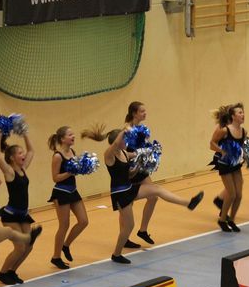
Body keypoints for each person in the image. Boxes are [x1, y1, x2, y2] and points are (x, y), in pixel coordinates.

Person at [83, 126, 205, 264]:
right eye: (124, 140)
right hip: (120, 194)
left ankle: (189, 203)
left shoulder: (124, 153)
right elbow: (116, 144)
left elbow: (132, 168)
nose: (126, 142)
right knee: (129, 226)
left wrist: (150, 153)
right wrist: (124, 130)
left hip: (129, 188)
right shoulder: (109, 155)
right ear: (117, 141)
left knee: (157, 189)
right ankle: (116, 254)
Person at [0, 128, 37, 284]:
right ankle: (2, 273)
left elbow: (31, 151)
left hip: (23, 214)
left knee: (28, 246)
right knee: (20, 247)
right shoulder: (10, 172)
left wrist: (24, 133)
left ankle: (12, 271)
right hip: (11, 215)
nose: (23, 154)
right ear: (12, 158)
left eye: (22, 152)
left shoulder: (23, 169)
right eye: (20, 153)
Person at [47, 126, 89, 270]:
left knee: (83, 221)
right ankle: (56, 257)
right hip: (61, 192)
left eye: (73, 134)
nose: (73, 136)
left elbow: (74, 172)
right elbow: (55, 178)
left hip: (73, 191)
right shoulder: (57, 156)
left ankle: (66, 245)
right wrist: (70, 172)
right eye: (70, 135)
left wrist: (83, 168)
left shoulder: (72, 152)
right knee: (64, 225)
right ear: (62, 139)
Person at [122, 102, 158, 247]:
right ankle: (124, 238)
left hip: (141, 169)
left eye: (145, 110)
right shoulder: (127, 130)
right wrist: (136, 156)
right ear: (134, 113)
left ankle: (143, 230)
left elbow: (144, 148)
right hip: (129, 171)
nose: (145, 113)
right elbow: (122, 152)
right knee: (127, 205)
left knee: (153, 197)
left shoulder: (143, 129)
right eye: (142, 111)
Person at [209, 103, 246, 232]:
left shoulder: (244, 131)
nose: (243, 114)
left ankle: (232, 220)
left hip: (236, 164)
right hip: (224, 164)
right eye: (240, 113)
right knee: (231, 194)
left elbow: (241, 148)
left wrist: (246, 156)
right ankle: (222, 219)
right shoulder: (224, 130)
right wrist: (222, 151)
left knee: (239, 195)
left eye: (243, 112)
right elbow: (212, 144)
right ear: (233, 116)